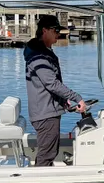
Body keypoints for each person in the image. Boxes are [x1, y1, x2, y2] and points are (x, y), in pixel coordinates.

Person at [24, 14, 86, 167]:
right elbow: (51, 83)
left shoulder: (43, 52)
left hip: (47, 110)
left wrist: (63, 100)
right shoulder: (39, 57)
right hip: (45, 114)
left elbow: (50, 84)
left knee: (49, 152)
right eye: (56, 30)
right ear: (44, 30)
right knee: (47, 155)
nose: (59, 34)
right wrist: (77, 97)